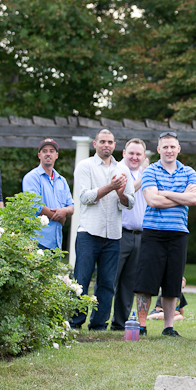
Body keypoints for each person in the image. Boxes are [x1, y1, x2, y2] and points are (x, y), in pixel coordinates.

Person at [133, 132, 196, 337]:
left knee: (173, 283)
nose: (169, 150)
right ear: (159, 149)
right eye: (165, 147)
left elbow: (195, 199)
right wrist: (182, 197)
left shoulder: (189, 172)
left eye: (173, 147)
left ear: (179, 149)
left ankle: (168, 327)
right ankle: (142, 326)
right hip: (153, 232)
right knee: (145, 281)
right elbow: (153, 201)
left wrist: (165, 193)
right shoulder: (150, 171)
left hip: (178, 233)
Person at [70, 129, 134, 330]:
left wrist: (121, 194)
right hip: (89, 233)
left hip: (113, 234)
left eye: (110, 142)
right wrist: (111, 187)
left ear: (115, 145)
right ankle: (75, 322)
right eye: (102, 141)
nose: (106, 145)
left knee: (107, 283)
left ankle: (98, 324)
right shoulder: (85, 166)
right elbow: (84, 197)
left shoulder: (122, 169)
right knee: (81, 281)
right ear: (95, 144)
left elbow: (130, 202)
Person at [109, 139, 148, 332]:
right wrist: (146, 176)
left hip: (140, 235)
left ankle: (119, 324)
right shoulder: (118, 170)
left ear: (144, 156)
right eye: (131, 153)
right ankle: (99, 322)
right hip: (120, 233)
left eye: (139, 154)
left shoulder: (144, 173)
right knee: (111, 280)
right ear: (124, 152)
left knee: (129, 284)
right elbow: (128, 190)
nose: (134, 157)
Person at [22, 139, 75, 250]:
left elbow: (71, 206)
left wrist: (64, 211)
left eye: (51, 151)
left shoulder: (62, 180)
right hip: (37, 241)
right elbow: (34, 206)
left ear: (56, 155)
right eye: (44, 151)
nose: (48, 154)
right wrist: (59, 217)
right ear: (39, 155)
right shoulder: (31, 177)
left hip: (56, 242)